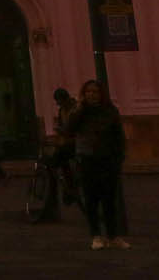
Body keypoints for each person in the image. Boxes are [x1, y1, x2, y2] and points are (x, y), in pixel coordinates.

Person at [65, 79, 129, 250]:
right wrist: (78, 109)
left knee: (109, 200)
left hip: (108, 160)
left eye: (95, 92)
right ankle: (96, 236)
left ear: (102, 94)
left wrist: (119, 158)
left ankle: (113, 236)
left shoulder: (110, 111)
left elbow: (118, 136)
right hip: (88, 159)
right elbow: (69, 129)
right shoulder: (80, 112)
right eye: (88, 92)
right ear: (83, 95)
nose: (92, 95)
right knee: (91, 200)